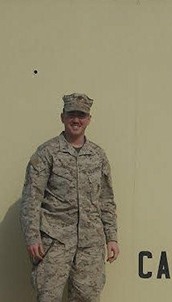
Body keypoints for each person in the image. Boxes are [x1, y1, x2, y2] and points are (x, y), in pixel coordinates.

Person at [20, 93, 119, 301]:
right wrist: (32, 237)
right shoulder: (47, 153)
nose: (76, 120)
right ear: (62, 117)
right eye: (72, 114)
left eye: (81, 115)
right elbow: (31, 197)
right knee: (48, 297)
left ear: (89, 119)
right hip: (54, 242)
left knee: (87, 298)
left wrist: (111, 237)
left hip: (90, 244)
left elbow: (106, 200)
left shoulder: (98, 155)